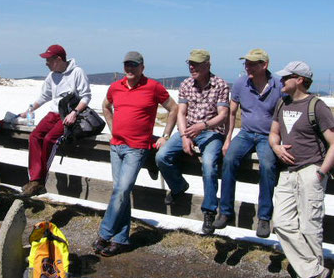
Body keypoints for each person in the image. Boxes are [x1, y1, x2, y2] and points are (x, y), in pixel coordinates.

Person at [93, 51, 178, 257]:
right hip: (116, 146)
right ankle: (121, 240)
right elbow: (105, 105)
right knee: (120, 193)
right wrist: (113, 127)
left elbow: (173, 108)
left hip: (137, 148)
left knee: (121, 191)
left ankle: (105, 233)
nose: (129, 69)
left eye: (134, 65)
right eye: (127, 65)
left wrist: (165, 135)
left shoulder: (153, 87)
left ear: (142, 67)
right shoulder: (116, 87)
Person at [269, 61, 334, 278]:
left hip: (310, 171)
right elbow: (274, 134)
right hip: (288, 172)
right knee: (283, 222)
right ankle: (314, 273)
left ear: (299, 79)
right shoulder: (282, 103)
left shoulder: (317, 106)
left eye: (286, 77)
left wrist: (321, 172)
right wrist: (276, 148)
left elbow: (333, 143)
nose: (281, 81)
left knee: (310, 227)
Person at [155, 49, 229, 235]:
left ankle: (209, 211)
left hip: (211, 131)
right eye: (190, 63)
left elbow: (223, 115)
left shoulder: (220, 84)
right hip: (188, 130)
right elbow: (181, 112)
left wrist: (202, 126)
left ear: (207, 65)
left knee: (210, 164)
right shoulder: (186, 83)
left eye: (196, 64)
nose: (191, 67)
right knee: (162, 156)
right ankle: (179, 187)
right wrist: (185, 135)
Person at [213, 49, 282, 238]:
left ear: (264, 65)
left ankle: (264, 218)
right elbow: (232, 113)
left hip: (268, 135)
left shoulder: (278, 85)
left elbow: (285, 114)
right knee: (228, 161)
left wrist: (279, 140)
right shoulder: (241, 83)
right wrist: (227, 140)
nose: (247, 67)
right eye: (246, 63)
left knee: (268, 166)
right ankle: (225, 211)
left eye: (252, 63)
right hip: (246, 133)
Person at [20, 44, 91, 196]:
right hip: (53, 113)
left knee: (49, 140)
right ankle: (34, 178)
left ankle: (40, 182)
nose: (46, 64)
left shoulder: (77, 72)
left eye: (49, 60)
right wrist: (29, 110)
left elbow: (86, 96)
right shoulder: (52, 75)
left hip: (68, 114)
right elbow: (44, 96)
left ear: (59, 59)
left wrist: (75, 112)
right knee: (34, 136)